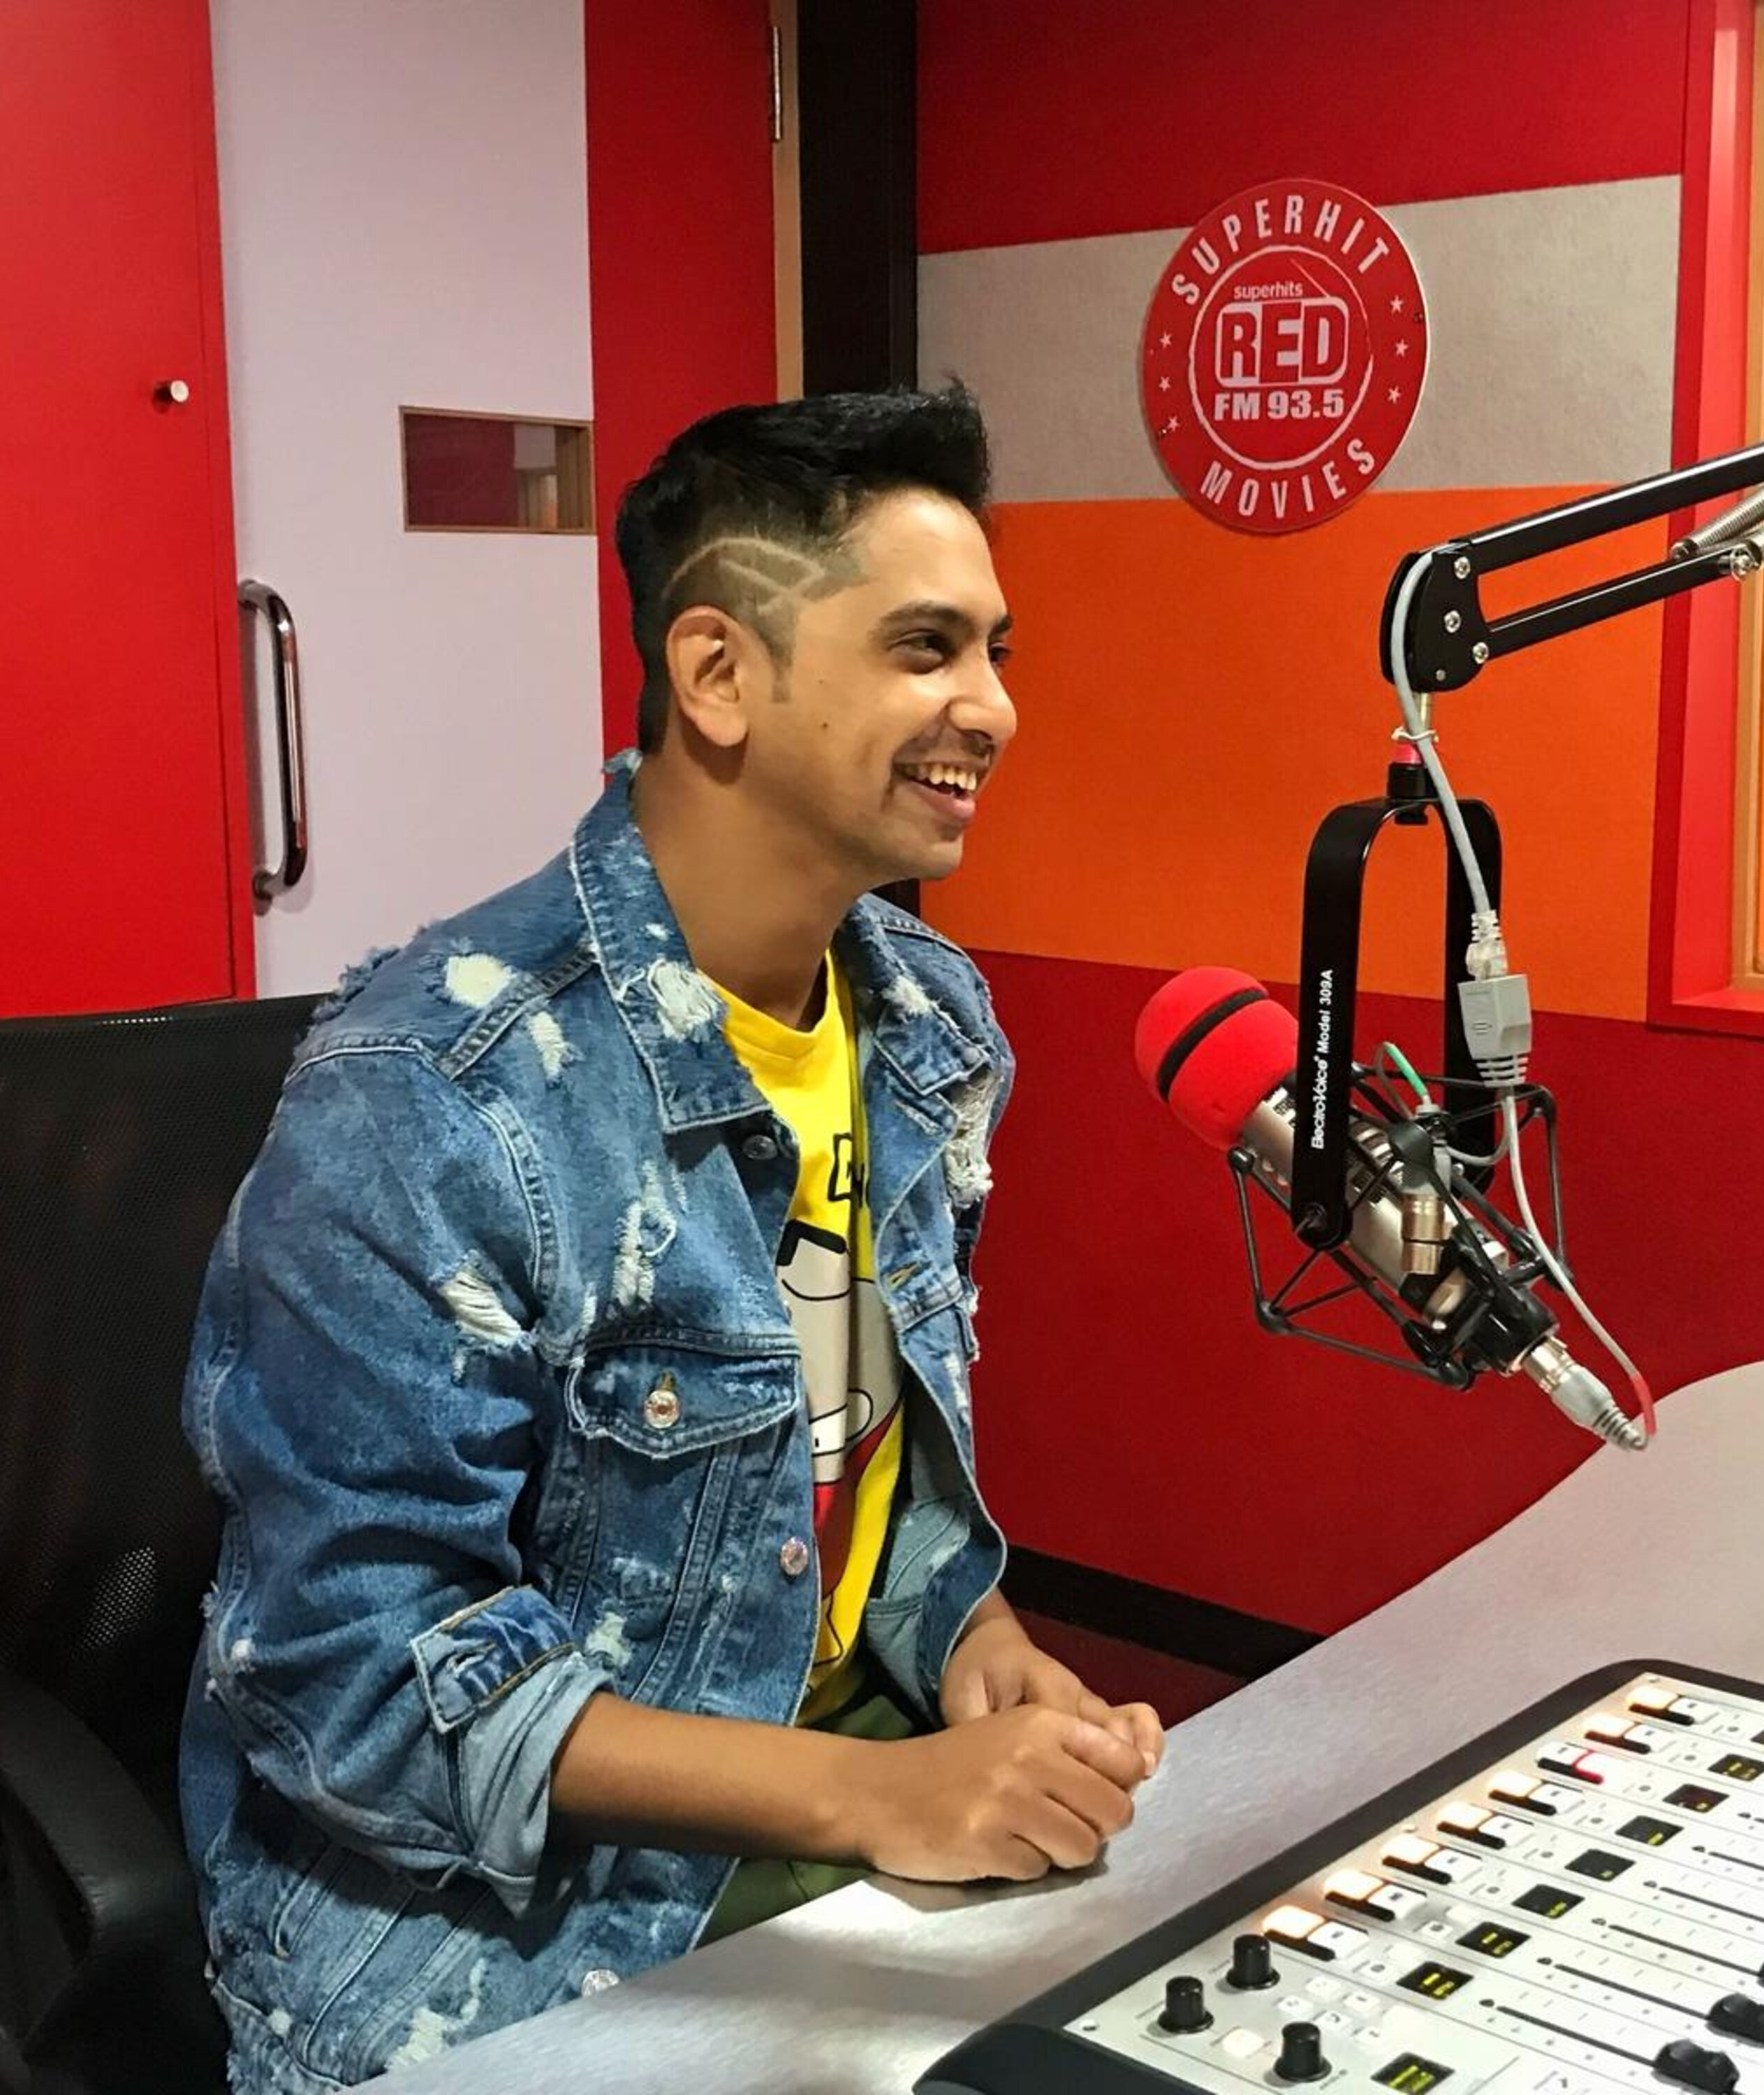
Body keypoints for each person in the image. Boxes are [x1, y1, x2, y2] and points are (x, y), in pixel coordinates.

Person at [179, 385, 1163, 2093]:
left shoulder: (928, 1024)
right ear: (718, 675)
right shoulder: (435, 1096)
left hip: (829, 1806)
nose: (994, 708)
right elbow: (361, 1689)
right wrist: (874, 1793)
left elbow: (854, 1475)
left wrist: (975, 1644)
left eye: (997, 651)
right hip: (508, 1928)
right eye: (926, 647)